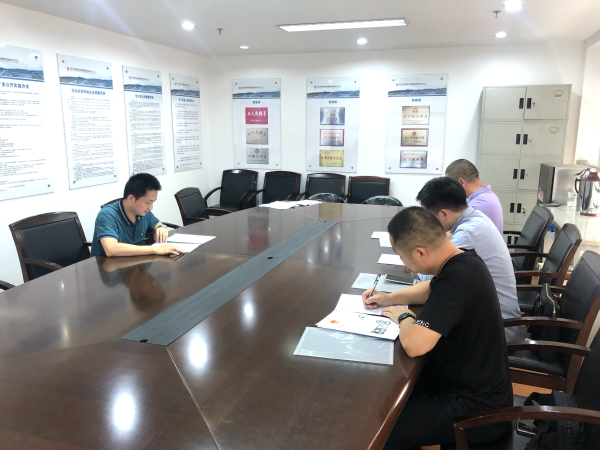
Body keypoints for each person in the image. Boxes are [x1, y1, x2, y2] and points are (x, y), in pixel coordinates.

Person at [363, 207, 513, 448]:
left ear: (420, 253)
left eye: (402, 256)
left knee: (380, 428)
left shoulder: (457, 279)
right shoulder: (463, 260)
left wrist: (405, 317)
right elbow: (431, 289)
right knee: (386, 396)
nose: (403, 263)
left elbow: (414, 345)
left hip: (476, 411)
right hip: (468, 386)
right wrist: (389, 298)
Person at [416, 177, 520, 341]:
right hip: (488, 314)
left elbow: (430, 279)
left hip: (497, 331)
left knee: (422, 333)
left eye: (429, 217)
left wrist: (412, 256)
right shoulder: (474, 217)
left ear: (443, 213)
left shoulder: (468, 233)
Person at [90, 173, 184, 257]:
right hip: (107, 267)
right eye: (148, 202)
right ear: (131, 199)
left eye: (153, 202)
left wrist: (161, 228)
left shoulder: (143, 212)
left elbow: (156, 224)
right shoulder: (107, 215)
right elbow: (111, 249)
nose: (151, 207)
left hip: (135, 262)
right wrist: (156, 249)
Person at [445, 159, 503, 234]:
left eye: (451, 186)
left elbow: (450, 234)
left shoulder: (477, 205)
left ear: (461, 182)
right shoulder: (487, 195)